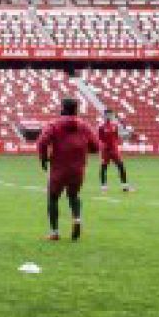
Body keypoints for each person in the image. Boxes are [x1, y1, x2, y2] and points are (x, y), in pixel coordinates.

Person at [36, 97, 99, 241]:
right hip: (78, 168)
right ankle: (77, 218)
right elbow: (95, 147)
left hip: (58, 167)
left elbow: (42, 142)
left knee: (53, 197)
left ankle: (54, 232)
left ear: (62, 108)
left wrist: (44, 158)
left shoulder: (53, 125)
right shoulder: (85, 126)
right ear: (76, 109)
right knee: (74, 196)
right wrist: (80, 150)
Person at [96, 109, 132, 193]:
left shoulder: (115, 126)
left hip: (114, 150)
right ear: (104, 116)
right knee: (103, 167)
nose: (109, 116)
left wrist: (127, 135)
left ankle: (125, 186)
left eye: (110, 115)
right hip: (105, 150)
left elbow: (117, 137)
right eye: (107, 115)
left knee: (121, 166)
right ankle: (103, 186)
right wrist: (102, 147)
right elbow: (99, 139)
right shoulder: (101, 127)